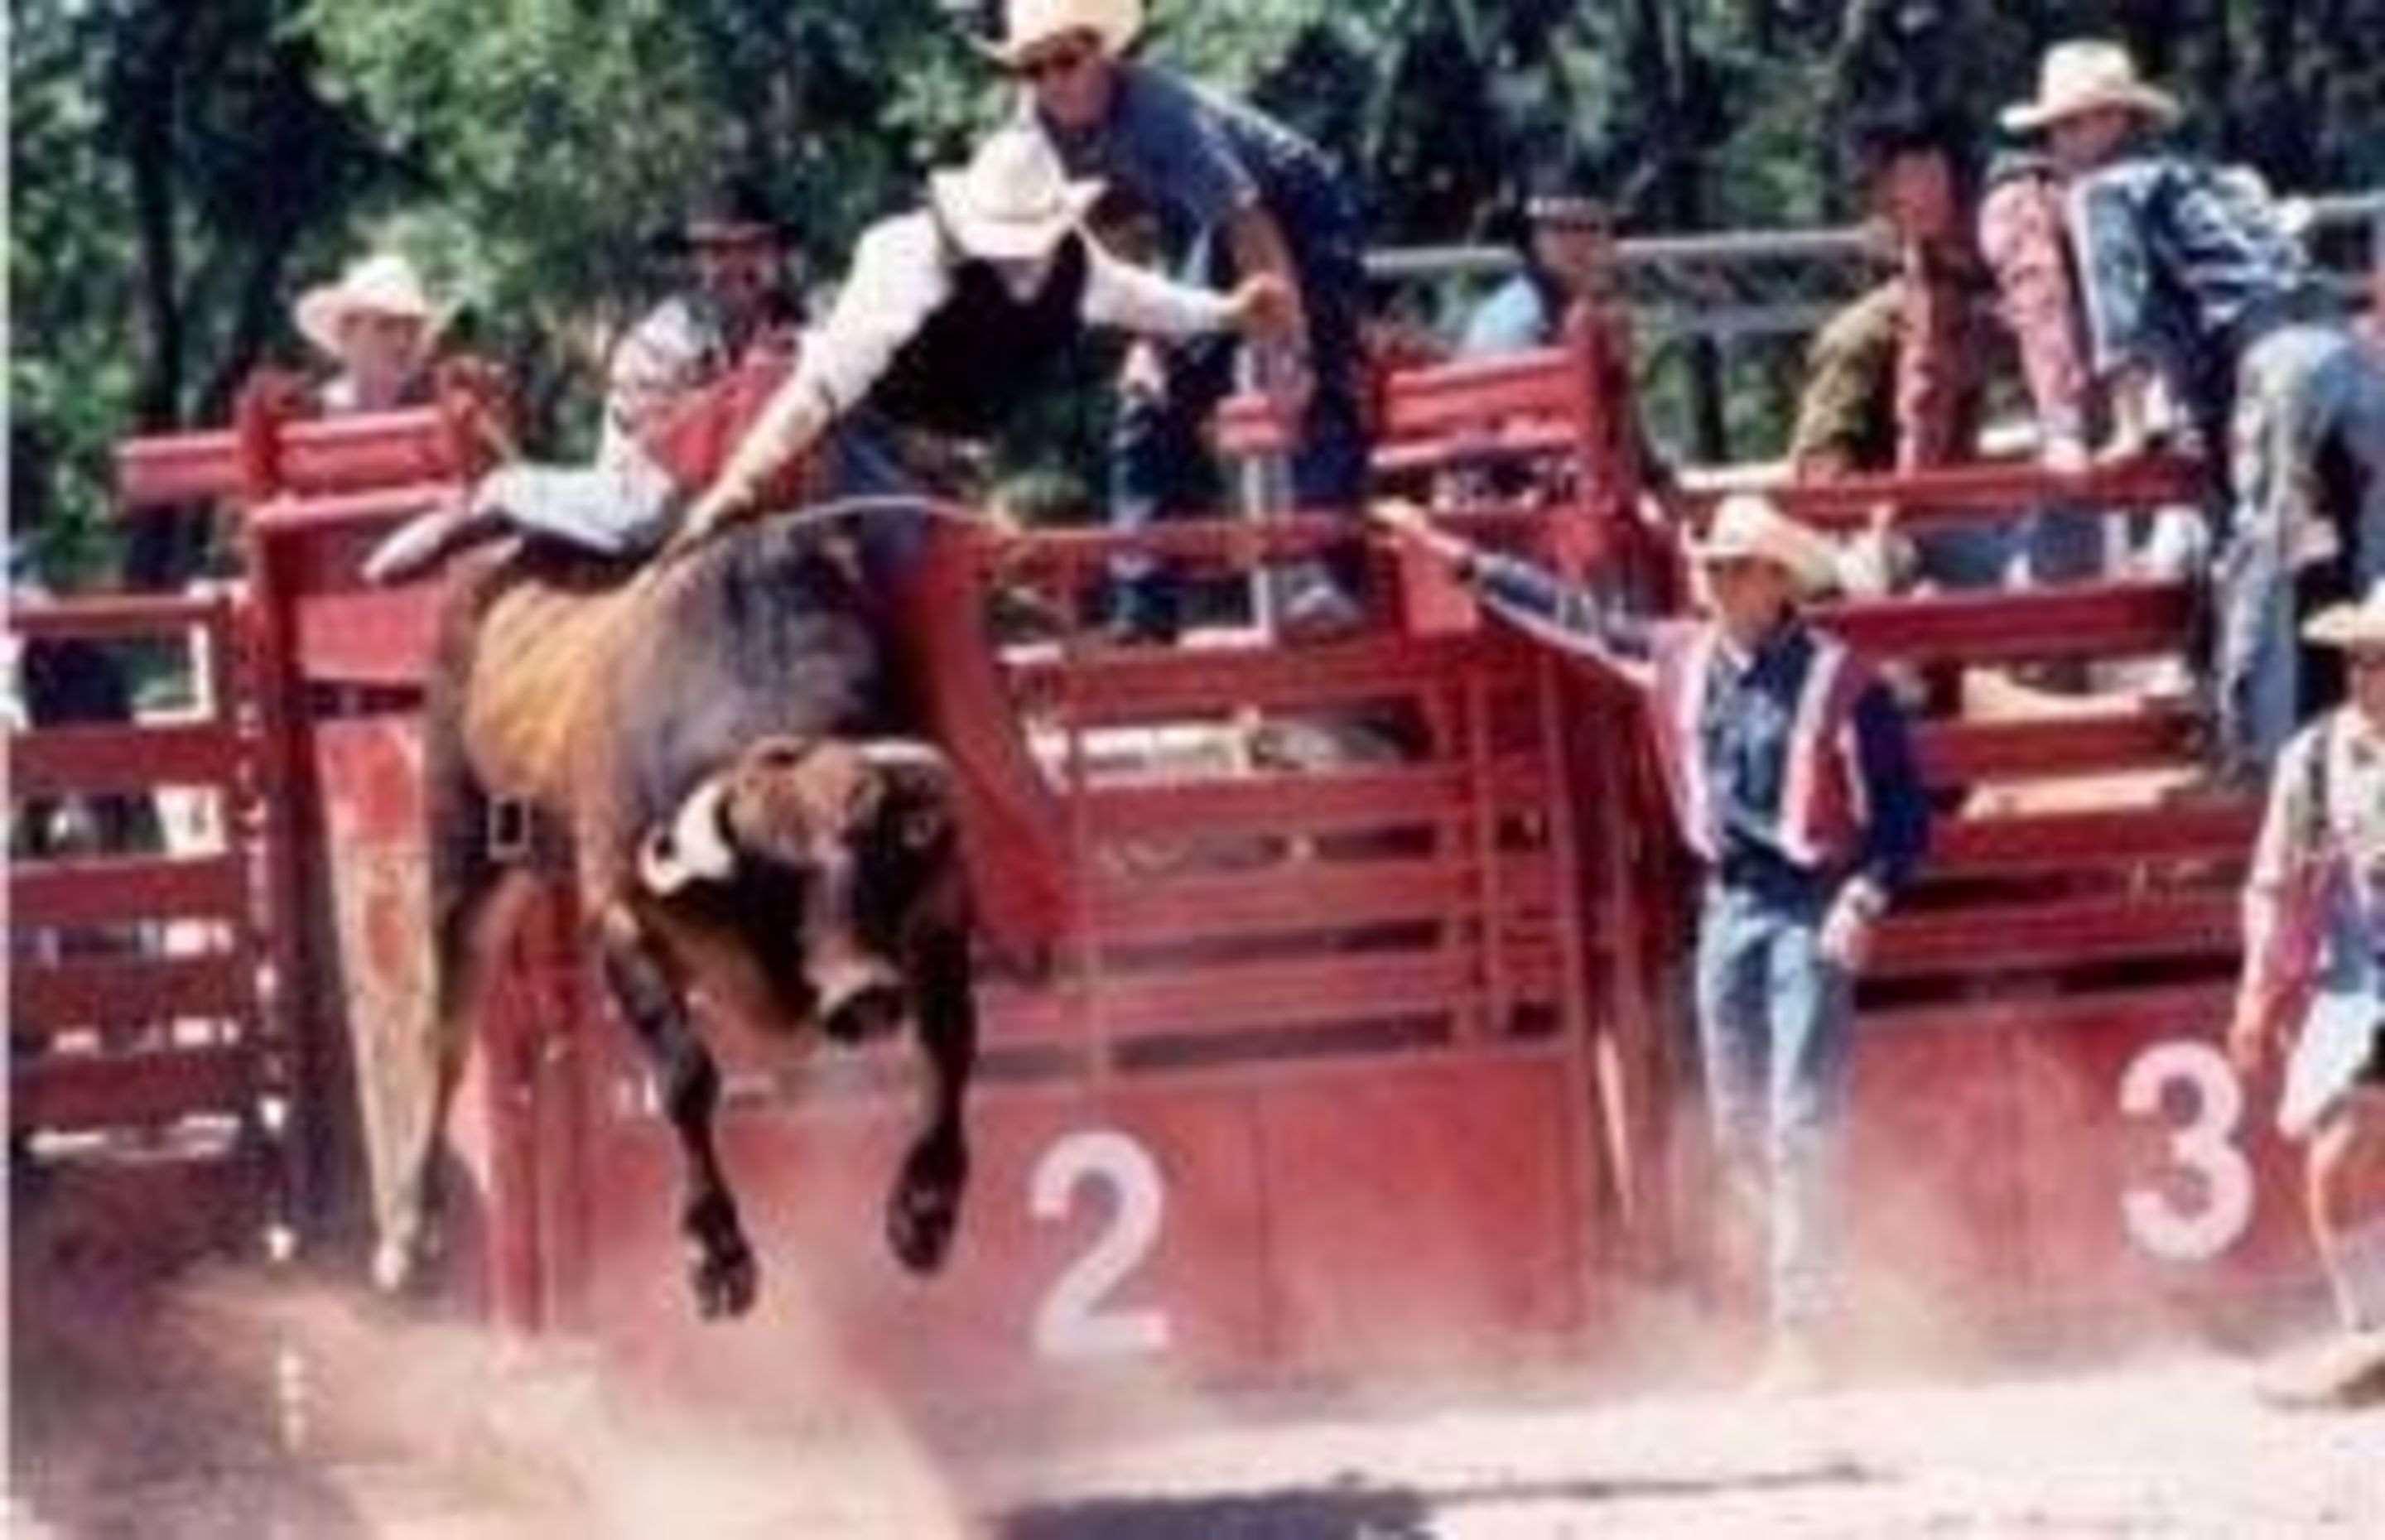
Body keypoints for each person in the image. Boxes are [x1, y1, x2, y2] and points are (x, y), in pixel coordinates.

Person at [1375, 493, 1930, 1391]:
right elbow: (1576, 622)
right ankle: (1778, 1319)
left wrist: (1864, 895)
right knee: (1747, 1124)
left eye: (1731, 568)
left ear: (1775, 581)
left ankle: (1804, 1331)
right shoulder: (1683, 657)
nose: (1713, 580)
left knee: (1796, 1121)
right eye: (1711, 566)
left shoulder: (1843, 684)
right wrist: (1462, 559)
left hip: (1805, 905)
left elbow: (1903, 817)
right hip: (1732, 909)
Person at [2017, 39, 2385, 778]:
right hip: (2343, 348)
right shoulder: (2210, 179)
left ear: (2104, 123)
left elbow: (2118, 313)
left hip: (2272, 361)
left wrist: (2126, 428)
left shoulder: (2104, 193)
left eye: (2063, 129)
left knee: (2261, 559)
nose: (2055, 149)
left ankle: (2260, 763)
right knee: (2375, 554)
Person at [991, 0, 1371, 642]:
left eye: (1066, 61)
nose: (1053, 81)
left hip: (1292, 210)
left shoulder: (1165, 118)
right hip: (1194, 228)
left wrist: (1289, 344)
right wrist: (1150, 333)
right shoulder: (1035, 133)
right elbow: (1103, 232)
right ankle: (1143, 609)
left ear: (1103, 56)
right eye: (1034, 69)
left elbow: (1250, 223)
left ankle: (1328, 578)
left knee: (1312, 382)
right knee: (1150, 394)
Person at [362, 179, 804, 583]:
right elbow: (663, 436)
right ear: (698, 263)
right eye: (718, 253)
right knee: (645, 517)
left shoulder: (799, 328)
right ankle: (503, 496)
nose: (737, 265)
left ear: (774, 255)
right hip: (658, 478)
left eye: (752, 248)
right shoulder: (665, 338)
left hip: (762, 476)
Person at [1792, 104, 2100, 598]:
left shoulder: (2008, 206)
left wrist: (2063, 426)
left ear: (1932, 167)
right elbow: (1926, 369)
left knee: (2077, 500)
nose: (1888, 207)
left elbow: (2044, 311)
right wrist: (1909, 493)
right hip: (2082, 369)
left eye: (1893, 186)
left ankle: (2077, 618)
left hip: (2129, 361)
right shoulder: (1930, 250)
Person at [2228, 579, 2385, 1408]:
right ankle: (2370, 1329)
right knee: (2338, 1150)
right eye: (2359, 658)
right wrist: (2258, 991)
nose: (2366, 674)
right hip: (2355, 980)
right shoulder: (2315, 758)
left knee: (2352, 1133)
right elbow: (2273, 882)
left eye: (2380, 659)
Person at [294, 253, 441, 415]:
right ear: (347, 331)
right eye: (386, 325)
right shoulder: (308, 414)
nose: (402, 343)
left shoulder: (440, 414)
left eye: (412, 329)